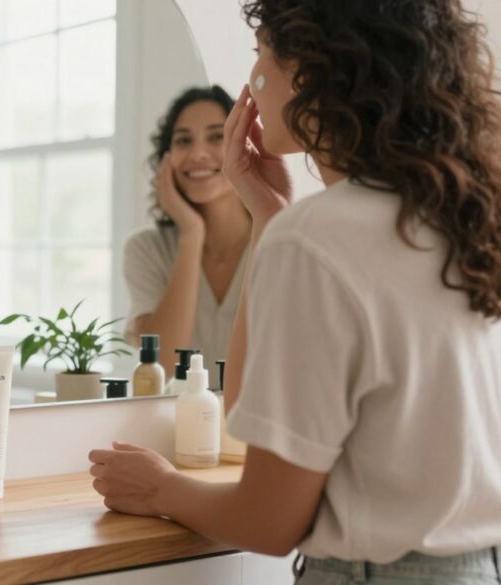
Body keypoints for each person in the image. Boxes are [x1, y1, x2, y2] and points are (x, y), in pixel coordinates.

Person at [91, 1, 501, 582]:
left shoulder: (318, 237)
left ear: (309, 71)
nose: (251, 87)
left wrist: (162, 487)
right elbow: (246, 411)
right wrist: (268, 218)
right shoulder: (452, 217)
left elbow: (267, 521)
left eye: (260, 57)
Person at [123, 86, 251, 376]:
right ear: (166, 159)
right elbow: (164, 367)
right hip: (174, 418)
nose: (198, 153)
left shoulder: (276, 239)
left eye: (217, 136)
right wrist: (192, 234)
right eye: (183, 141)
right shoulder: (146, 250)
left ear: (244, 145)